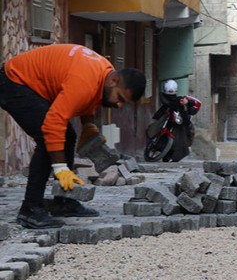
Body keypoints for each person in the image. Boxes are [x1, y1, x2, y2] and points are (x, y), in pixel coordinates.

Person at [0, 44, 146, 229]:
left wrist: (88, 125)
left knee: (68, 136)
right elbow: (54, 123)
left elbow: (89, 97)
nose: (118, 105)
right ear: (114, 81)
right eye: (120, 98)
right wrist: (60, 168)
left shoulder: (103, 73)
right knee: (48, 139)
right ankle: (30, 209)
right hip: (14, 82)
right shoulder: (84, 80)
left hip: (31, 84)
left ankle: (64, 202)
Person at [150, 79, 201, 161]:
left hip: (178, 120)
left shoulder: (180, 100)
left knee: (182, 137)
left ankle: (170, 154)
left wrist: (187, 103)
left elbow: (193, 105)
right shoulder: (166, 100)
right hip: (169, 120)